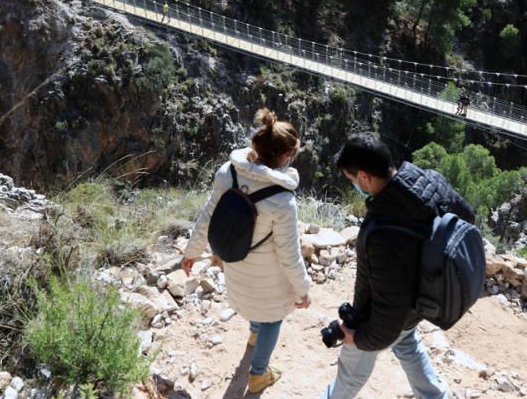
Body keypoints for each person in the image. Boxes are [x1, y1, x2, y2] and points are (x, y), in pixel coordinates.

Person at [318, 133, 476, 399]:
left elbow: (386, 320)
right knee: (406, 341)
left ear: (365, 177)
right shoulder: (431, 181)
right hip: (419, 302)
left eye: (352, 179)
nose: (355, 185)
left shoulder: (382, 232)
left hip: (380, 316)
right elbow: (467, 217)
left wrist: (356, 337)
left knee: (350, 375)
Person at [183, 109, 312, 394]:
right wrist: (303, 289)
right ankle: (258, 374)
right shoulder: (282, 199)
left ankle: (254, 333)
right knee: (272, 317)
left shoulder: (227, 173)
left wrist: (191, 251)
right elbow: (289, 254)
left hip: (237, 262)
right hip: (268, 276)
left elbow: (207, 216)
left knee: (257, 308)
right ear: (286, 156)